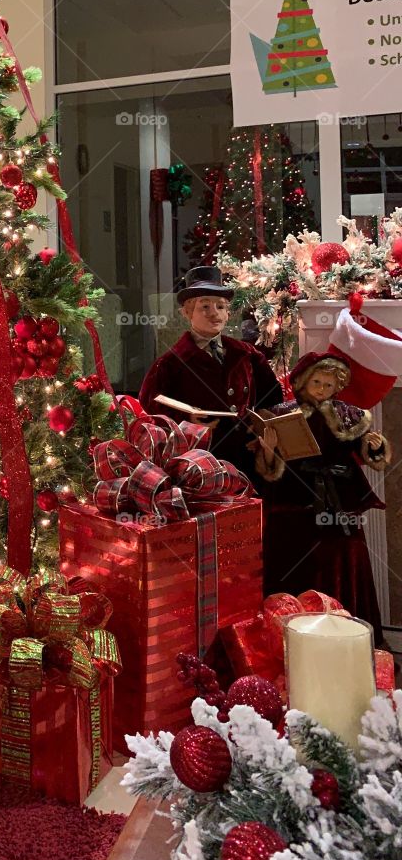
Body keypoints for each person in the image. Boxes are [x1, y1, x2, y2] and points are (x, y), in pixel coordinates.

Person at [254, 351, 390, 642]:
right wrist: (269, 450)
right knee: (294, 560)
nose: (321, 390)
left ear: (337, 386)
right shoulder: (281, 414)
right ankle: (292, 638)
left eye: (329, 385)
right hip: (293, 501)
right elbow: (269, 469)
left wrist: (374, 445)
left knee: (342, 556)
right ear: (303, 381)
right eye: (316, 382)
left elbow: (370, 454)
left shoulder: (348, 415)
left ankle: (348, 635)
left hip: (338, 501)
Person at [139, 266, 283, 476]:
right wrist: (186, 420)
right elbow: (152, 401)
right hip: (201, 456)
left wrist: (261, 422)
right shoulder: (172, 362)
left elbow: (271, 395)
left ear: (228, 314)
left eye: (220, 306)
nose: (214, 313)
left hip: (245, 453)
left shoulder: (247, 354)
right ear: (187, 313)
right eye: (204, 307)